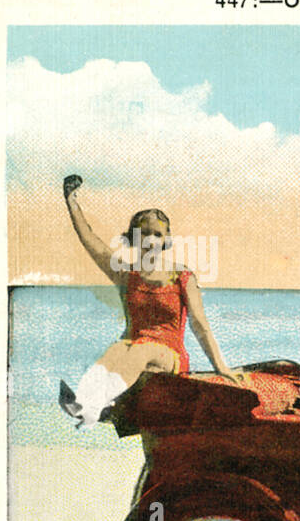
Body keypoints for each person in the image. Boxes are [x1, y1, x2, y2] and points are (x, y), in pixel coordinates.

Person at [58, 174, 241, 428]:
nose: (151, 240)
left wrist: (222, 367)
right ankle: (85, 403)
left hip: (170, 357)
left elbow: (200, 325)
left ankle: (98, 405)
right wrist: (71, 201)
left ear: (166, 240)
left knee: (140, 349)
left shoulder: (182, 277)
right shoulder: (125, 275)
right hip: (132, 349)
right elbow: (92, 242)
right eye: (144, 233)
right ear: (134, 237)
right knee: (118, 349)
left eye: (157, 234)